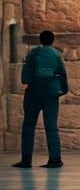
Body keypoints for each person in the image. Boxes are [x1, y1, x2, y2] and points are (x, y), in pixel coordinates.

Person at [13, 30, 68, 169]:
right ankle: (55, 159)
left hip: (34, 92)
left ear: (40, 39)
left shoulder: (33, 53)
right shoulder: (56, 54)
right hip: (51, 93)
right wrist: (63, 90)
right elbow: (62, 73)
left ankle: (26, 160)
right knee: (51, 127)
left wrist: (26, 81)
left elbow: (26, 72)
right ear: (52, 40)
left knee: (28, 126)